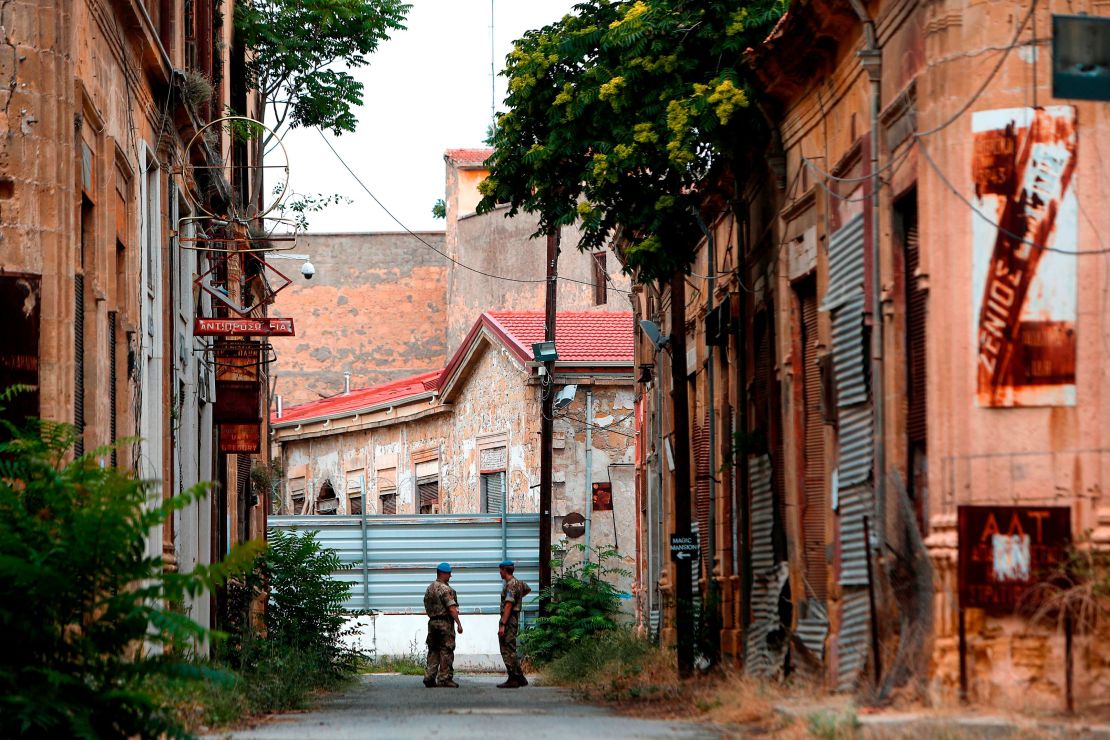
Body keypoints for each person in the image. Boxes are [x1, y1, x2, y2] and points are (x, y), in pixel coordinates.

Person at [423, 562, 463, 688]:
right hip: (445, 623)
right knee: (446, 650)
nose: (450, 576)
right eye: (449, 573)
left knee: (433, 650)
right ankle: (444, 678)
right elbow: (451, 608)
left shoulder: (429, 588)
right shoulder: (445, 589)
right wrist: (459, 623)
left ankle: (429, 677)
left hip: (432, 623)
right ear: (443, 573)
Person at [496, 559, 531, 688]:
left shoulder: (510, 585)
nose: (500, 572)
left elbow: (509, 605)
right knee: (510, 647)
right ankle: (520, 677)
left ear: (505, 570)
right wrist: (518, 598)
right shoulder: (518, 583)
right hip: (513, 618)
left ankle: (513, 678)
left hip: (509, 619)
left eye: (500, 570)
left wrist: (502, 623)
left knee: (507, 648)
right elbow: (527, 589)